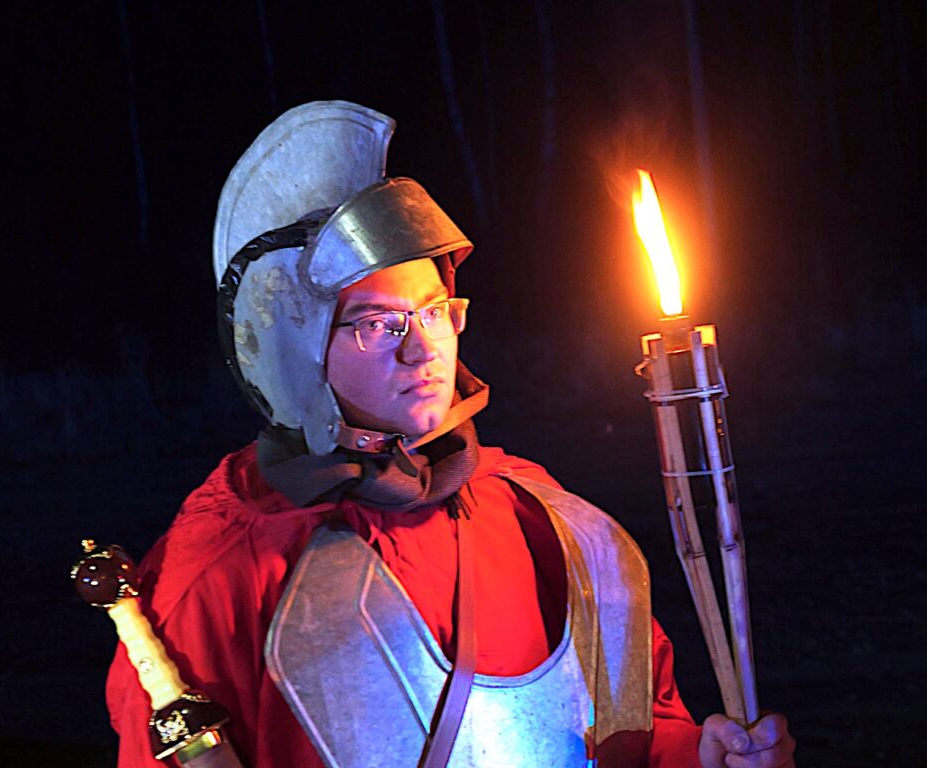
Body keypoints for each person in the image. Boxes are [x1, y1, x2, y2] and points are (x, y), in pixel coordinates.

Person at [106, 102, 795, 768]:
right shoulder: (223, 574)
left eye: (434, 311)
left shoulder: (533, 515)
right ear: (294, 349)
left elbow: (631, 731)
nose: (423, 350)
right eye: (378, 325)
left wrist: (698, 758)